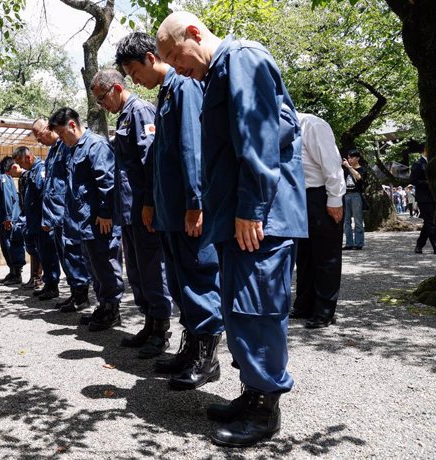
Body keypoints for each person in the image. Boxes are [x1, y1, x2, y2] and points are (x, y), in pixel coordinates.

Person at [157, 11, 308, 447]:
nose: (175, 66)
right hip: (238, 215)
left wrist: (251, 208)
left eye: (174, 54)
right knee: (240, 308)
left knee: (258, 310)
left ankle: (265, 410)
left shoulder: (241, 57)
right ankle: (253, 393)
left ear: (193, 33)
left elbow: (260, 138)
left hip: (258, 215)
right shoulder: (216, 73)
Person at [115, 32, 224, 382]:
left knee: (198, 279)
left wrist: (195, 203)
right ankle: (190, 349)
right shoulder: (166, 92)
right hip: (169, 210)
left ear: (150, 57)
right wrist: (151, 204)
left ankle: (207, 359)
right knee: (180, 284)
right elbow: (159, 161)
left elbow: (192, 149)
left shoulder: (185, 86)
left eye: (134, 72)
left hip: (185, 210)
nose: (135, 81)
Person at [90, 68, 174, 359]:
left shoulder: (140, 111)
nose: (102, 106)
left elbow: (150, 161)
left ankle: (161, 329)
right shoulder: (126, 115)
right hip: (127, 210)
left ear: (114, 88)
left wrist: (150, 203)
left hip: (142, 208)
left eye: (102, 99)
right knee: (137, 271)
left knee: (152, 268)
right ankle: (149, 323)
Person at [48, 107, 125, 332]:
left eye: (62, 134)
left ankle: (112, 309)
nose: (62, 139)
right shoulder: (75, 148)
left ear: (72, 125)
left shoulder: (96, 145)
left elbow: (107, 182)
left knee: (106, 265)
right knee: (94, 266)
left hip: (99, 220)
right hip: (84, 222)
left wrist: (105, 212)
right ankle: (104, 305)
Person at [290, 113, 346, 329]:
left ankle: (325, 310)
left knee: (326, 255)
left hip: (321, 195)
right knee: (303, 255)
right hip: (297, 196)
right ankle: (304, 304)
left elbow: (332, 164)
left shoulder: (312, 124)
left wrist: (334, 198)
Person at [32, 118, 93, 312]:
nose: (38, 140)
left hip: (66, 211)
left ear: (48, 129)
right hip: (55, 213)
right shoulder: (53, 151)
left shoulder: (66, 146)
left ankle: (82, 295)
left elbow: (70, 180)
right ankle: (75, 292)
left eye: (39, 135)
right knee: (65, 255)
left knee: (73, 253)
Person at [12, 146, 61, 300]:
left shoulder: (40, 170)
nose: (21, 166)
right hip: (35, 222)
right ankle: (48, 284)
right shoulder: (32, 171)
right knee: (43, 255)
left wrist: (46, 219)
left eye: (21, 162)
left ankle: (52, 286)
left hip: (42, 222)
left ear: (28, 157)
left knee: (49, 255)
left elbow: (45, 196)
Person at [0, 155, 26, 285]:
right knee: (8, 245)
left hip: (10, 219)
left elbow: (7, 199)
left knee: (12, 245)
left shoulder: (4, 178)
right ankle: (12, 272)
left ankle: (16, 273)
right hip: (11, 218)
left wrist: (8, 217)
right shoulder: (9, 179)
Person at [410, 146, 436, 254]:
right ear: (425, 150)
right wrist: (428, 183)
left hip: (433, 196)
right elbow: (413, 180)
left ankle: (419, 245)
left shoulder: (433, 163)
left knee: (429, 222)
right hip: (424, 197)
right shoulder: (418, 164)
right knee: (430, 222)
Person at [342, 149, 366, 250]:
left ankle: (359, 243)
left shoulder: (362, 169)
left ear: (357, 158)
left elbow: (359, 177)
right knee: (346, 221)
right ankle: (349, 243)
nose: (349, 159)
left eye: (351, 158)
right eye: (348, 158)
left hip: (356, 195)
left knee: (358, 220)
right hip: (346, 195)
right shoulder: (345, 170)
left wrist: (349, 167)